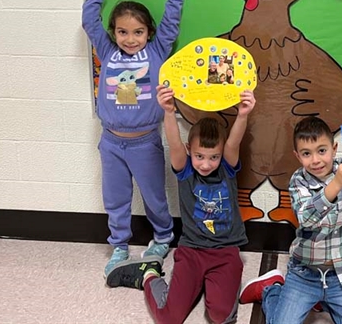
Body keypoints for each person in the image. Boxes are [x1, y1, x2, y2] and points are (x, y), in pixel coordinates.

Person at [106, 85, 256, 324]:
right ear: (190, 151)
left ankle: (215, 285)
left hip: (225, 252)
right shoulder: (186, 170)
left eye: (213, 157)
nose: (206, 164)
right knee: (169, 318)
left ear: (221, 154)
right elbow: (174, 142)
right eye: (199, 156)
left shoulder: (227, 169)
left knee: (222, 317)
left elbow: (234, 142)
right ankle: (148, 274)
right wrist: (167, 111)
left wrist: (243, 114)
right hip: (192, 250)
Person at [81, 0, 193, 277]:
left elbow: (172, 19)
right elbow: (90, 20)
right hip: (111, 142)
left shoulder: (157, 52)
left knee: (154, 195)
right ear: (113, 33)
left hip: (145, 142)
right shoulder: (108, 51)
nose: (130, 39)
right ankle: (119, 244)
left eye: (138, 32)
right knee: (115, 198)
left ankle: (162, 237)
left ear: (149, 32)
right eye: (123, 32)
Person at [238, 116, 342, 324]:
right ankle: (271, 290)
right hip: (304, 274)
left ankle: (323, 300)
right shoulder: (298, 180)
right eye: (306, 154)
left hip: (340, 277)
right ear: (297, 156)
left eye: (322, 150)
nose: (316, 160)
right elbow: (306, 219)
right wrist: (335, 185)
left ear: (334, 147)